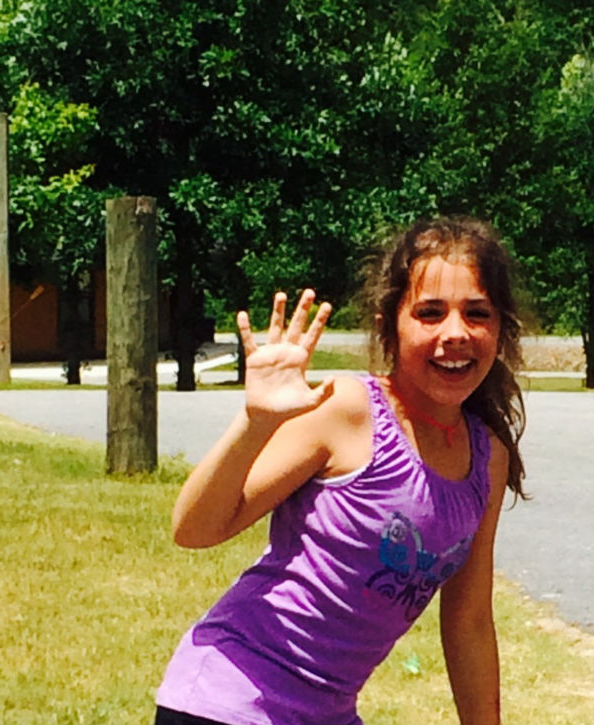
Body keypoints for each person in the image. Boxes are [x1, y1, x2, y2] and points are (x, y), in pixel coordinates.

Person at [155, 217, 525, 725]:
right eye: (430, 313)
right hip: (229, 695)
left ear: (501, 328)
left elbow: (470, 621)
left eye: (477, 313)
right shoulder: (348, 410)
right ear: (389, 325)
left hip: (327, 711)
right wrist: (255, 423)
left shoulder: (487, 456)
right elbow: (194, 529)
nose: (455, 333)